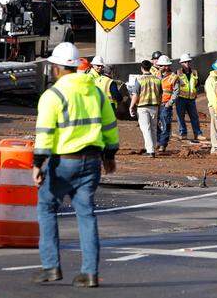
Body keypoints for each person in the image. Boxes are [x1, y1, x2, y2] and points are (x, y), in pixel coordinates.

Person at [32, 42, 118, 288]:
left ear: (58, 68)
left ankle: (51, 267)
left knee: (46, 208)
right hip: (91, 162)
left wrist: (38, 163)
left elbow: (45, 133)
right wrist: (110, 156)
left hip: (63, 163)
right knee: (87, 215)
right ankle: (89, 273)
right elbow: (110, 126)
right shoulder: (96, 92)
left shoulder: (53, 95)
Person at [127, 60, 161, 157]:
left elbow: (135, 94)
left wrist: (131, 106)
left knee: (146, 128)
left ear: (142, 68)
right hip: (154, 106)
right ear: (150, 67)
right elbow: (160, 93)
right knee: (154, 128)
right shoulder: (157, 79)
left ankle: (150, 151)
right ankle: (153, 148)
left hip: (142, 107)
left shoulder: (139, 79)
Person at [174, 53, 204, 143]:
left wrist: (194, 92)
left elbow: (198, 84)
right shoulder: (177, 73)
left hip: (191, 99)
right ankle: (183, 133)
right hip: (181, 98)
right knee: (180, 117)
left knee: (194, 117)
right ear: (181, 63)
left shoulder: (194, 72)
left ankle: (198, 134)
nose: (186, 63)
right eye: (184, 62)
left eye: (188, 62)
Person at [156, 55, 178, 153]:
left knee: (165, 125)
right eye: (159, 66)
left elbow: (176, 92)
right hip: (156, 104)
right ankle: (158, 141)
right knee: (155, 124)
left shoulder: (173, 77)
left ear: (166, 66)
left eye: (161, 66)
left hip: (165, 104)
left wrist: (169, 103)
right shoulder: (156, 75)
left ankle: (163, 144)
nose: (159, 67)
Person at [204, 59, 217, 149]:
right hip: (214, 106)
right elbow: (212, 96)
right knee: (215, 126)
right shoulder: (211, 80)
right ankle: (215, 146)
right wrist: (216, 108)